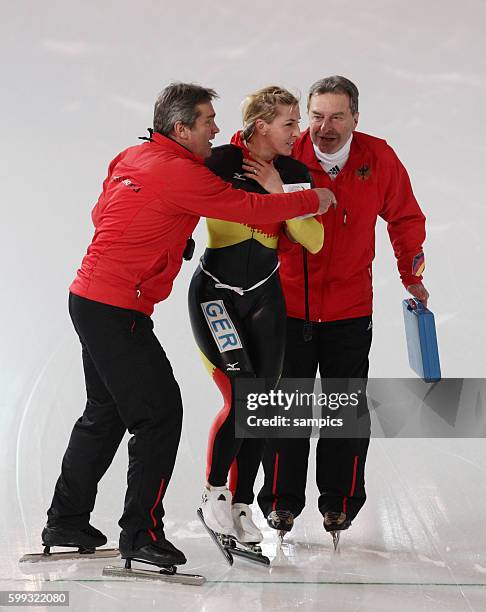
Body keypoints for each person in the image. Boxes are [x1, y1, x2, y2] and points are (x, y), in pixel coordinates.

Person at [42, 82, 336, 568]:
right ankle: (141, 534)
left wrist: (163, 241)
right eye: (206, 122)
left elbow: (102, 214)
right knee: (158, 416)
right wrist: (313, 199)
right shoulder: (183, 172)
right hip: (116, 307)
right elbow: (248, 208)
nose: (216, 129)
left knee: (105, 413)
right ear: (181, 129)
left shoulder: (131, 157)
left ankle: (67, 519)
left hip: (92, 297)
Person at [258, 75, 428, 537]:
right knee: (286, 407)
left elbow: (406, 217)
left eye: (336, 116)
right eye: (315, 116)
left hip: (350, 309)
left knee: (344, 408)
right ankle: (279, 502)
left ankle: (340, 500)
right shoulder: (289, 154)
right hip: (289, 304)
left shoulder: (379, 157)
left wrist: (412, 274)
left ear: (356, 117)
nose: (324, 127)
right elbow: (246, 157)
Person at [188, 86, 331, 546]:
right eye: (291, 123)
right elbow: (181, 204)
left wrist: (277, 192)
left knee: (264, 406)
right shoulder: (223, 161)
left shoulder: (291, 171)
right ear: (262, 126)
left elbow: (314, 240)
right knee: (242, 396)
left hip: (266, 296)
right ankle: (214, 493)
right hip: (217, 295)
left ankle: (242, 503)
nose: (299, 132)